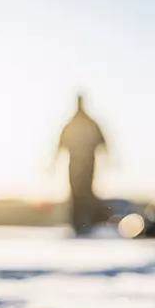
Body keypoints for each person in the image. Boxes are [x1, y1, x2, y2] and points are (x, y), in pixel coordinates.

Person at [57, 94, 107, 235]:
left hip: (86, 164)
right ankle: (77, 224)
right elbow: (60, 143)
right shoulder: (74, 123)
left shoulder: (86, 123)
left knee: (85, 193)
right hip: (76, 164)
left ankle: (85, 223)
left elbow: (102, 141)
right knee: (76, 194)